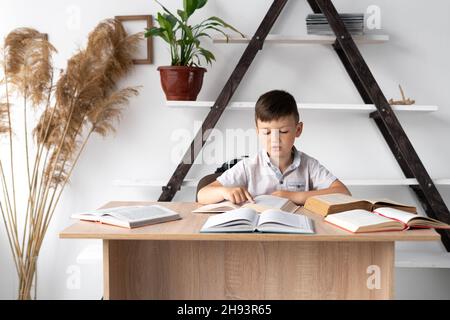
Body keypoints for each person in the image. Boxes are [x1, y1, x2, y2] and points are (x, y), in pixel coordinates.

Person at [197, 90, 351, 205]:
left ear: (298, 130)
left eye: (283, 131)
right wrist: (225, 191)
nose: (275, 139)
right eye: (267, 132)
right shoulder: (248, 166)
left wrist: (293, 196)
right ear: (258, 131)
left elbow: (343, 193)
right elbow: (202, 195)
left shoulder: (309, 165)